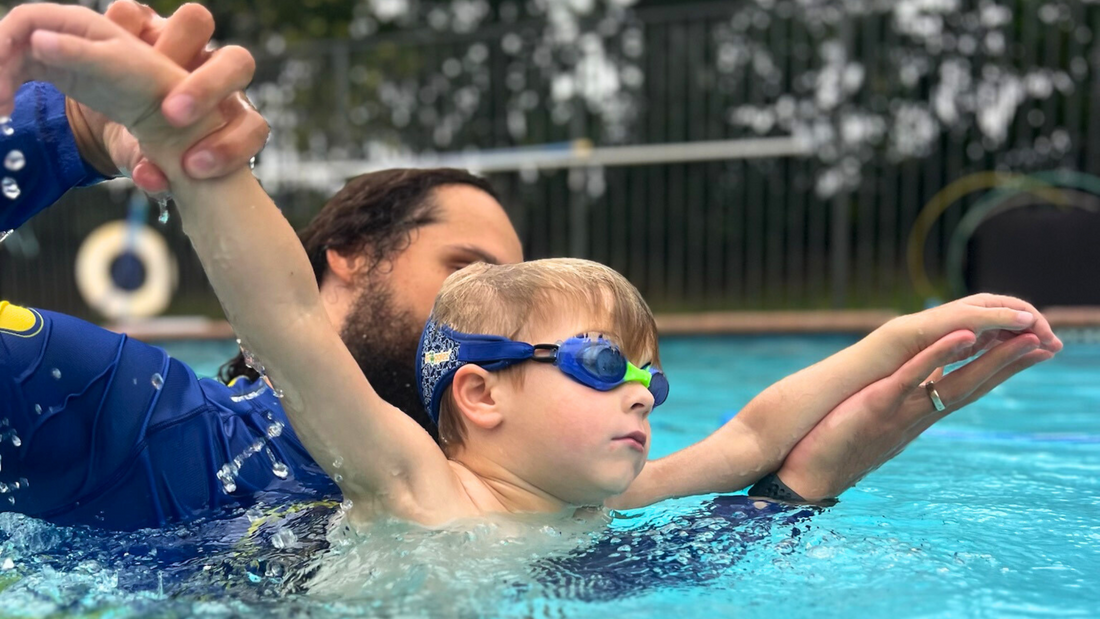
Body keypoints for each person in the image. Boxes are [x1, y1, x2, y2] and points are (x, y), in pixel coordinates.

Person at [0, 4, 1060, 528]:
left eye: (649, 379)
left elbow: (749, 432)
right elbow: (281, 318)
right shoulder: (353, 466)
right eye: (466, 268)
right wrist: (161, 146)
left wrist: (889, 348)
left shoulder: (576, 501)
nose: (641, 397)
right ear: (477, 387)